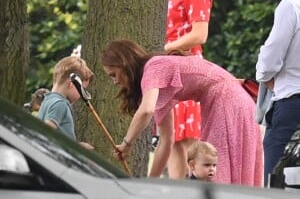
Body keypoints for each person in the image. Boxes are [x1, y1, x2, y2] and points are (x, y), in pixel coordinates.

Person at [101, 39, 263, 186]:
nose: (115, 81)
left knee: (214, 169)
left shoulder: (153, 67)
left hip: (227, 100)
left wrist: (126, 144)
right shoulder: (158, 82)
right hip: (234, 99)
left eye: (114, 74)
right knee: (222, 167)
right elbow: (166, 139)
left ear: (124, 63)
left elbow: (146, 110)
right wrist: (149, 183)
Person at [164, 0, 213, 179]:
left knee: (186, 140)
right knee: (172, 138)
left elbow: (200, 35)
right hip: (170, 67)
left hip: (187, 68)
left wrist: (166, 47)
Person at [256, 0, 300, 187]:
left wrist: (264, 74)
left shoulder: (291, 6)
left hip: (292, 102)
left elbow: (271, 59)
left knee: (276, 182)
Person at [38, 56, 94, 149]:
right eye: (82, 89)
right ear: (71, 84)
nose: (81, 95)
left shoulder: (48, 100)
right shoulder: (60, 104)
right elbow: (45, 135)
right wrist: (77, 147)